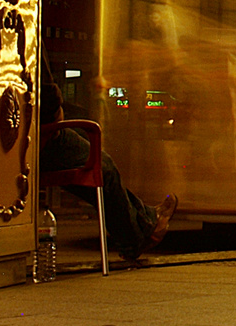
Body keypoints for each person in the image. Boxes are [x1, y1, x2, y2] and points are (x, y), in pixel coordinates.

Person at [40, 69, 176, 263]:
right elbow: (49, 95)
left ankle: (147, 219)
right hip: (45, 137)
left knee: (98, 176)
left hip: (30, 139)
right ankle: (134, 239)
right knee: (103, 168)